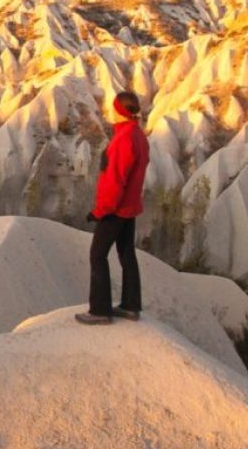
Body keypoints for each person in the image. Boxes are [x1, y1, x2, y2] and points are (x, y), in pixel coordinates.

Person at [75, 91, 149, 325]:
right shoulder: (138, 135)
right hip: (129, 206)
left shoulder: (124, 140)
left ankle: (99, 311)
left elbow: (115, 180)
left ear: (119, 110)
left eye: (113, 107)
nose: (110, 110)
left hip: (115, 208)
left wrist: (101, 210)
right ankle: (130, 305)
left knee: (97, 255)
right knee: (126, 253)